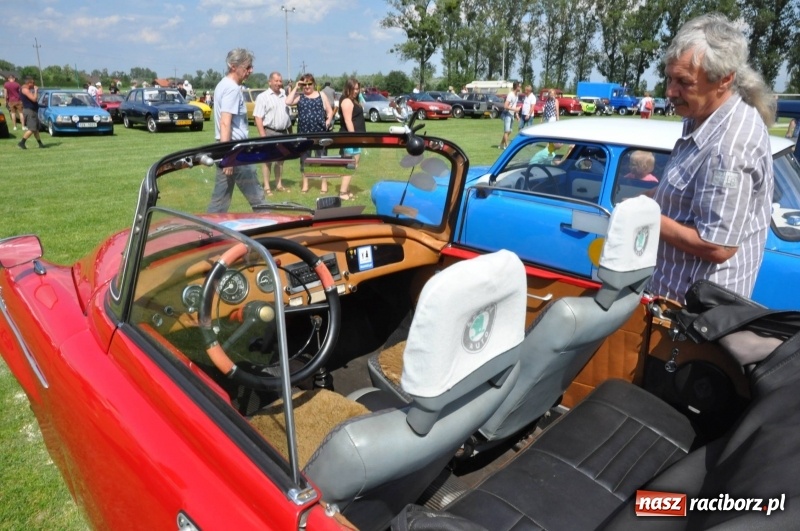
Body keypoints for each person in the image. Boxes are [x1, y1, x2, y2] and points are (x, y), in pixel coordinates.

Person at [649, 13, 775, 302]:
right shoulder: (702, 114)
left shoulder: (729, 147)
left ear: (724, 80)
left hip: (693, 318)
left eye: (683, 82)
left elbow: (718, 245)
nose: (670, 91)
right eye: (669, 78)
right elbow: (691, 195)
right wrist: (647, 199)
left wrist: (646, 216)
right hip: (674, 302)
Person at [206, 48, 264, 213]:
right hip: (235, 151)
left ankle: (207, 232)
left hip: (225, 149)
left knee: (219, 202)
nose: (250, 70)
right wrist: (229, 157)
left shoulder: (222, 85)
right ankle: (272, 230)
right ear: (233, 66)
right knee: (259, 199)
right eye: (247, 67)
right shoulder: (232, 88)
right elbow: (225, 123)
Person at [286, 73, 334, 193]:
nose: (307, 87)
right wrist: (296, 86)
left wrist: (328, 121)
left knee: (322, 158)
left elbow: (330, 111)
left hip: (320, 133)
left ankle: (324, 184)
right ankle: (305, 185)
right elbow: (288, 101)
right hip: (303, 134)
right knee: (304, 159)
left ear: (314, 84)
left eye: (309, 84)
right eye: (305, 84)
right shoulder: (300, 97)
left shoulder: (321, 95)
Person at [254, 71, 293, 196]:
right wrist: (263, 135)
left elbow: (288, 115)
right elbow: (258, 117)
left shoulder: (284, 95)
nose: (278, 83)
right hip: (270, 131)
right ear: (269, 82)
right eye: (276, 81)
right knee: (267, 160)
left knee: (280, 160)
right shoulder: (263, 97)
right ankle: (266, 186)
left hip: (284, 132)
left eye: (280, 81)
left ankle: (279, 184)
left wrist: (290, 132)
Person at [337, 77, 366, 201]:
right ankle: (343, 192)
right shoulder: (347, 101)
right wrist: (354, 137)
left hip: (356, 138)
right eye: (354, 89)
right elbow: (348, 121)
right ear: (348, 88)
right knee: (350, 164)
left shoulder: (353, 100)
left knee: (353, 164)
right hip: (350, 138)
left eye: (357, 88)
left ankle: (346, 189)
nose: (356, 91)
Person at [17, 77, 45, 149]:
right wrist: (36, 91)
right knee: (32, 129)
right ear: (29, 83)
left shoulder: (25, 89)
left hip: (32, 110)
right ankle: (22, 143)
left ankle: (40, 144)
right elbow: (34, 99)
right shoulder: (25, 89)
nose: (34, 84)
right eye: (33, 83)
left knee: (36, 129)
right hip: (30, 111)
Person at [499, 81, 520, 150]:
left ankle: (501, 144)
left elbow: (514, 106)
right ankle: (506, 146)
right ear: (516, 87)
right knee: (506, 131)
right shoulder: (510, 95)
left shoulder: (516, 95)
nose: (520, 87)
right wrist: (515, 109)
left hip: (512, 114)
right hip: (507, 114)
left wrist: (516, 114)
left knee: (509, 131)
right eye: (519, 86)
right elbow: (505, 106)